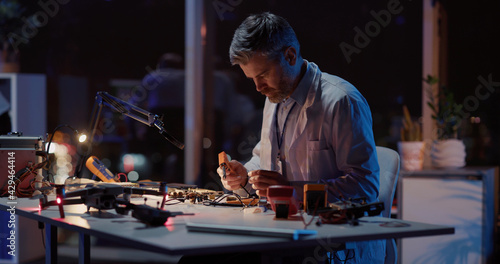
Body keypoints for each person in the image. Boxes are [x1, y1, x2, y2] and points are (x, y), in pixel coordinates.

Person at [217, 12, 385, 263]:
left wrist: (294, 192)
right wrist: (245, 174)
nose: (258, 87)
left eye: (262, 75)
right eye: (251, 78)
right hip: (286, 235)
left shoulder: (341, 101)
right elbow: (267, 161)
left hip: (333, 245)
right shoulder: (274, 99)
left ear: (290, 56)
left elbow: (366, 188)